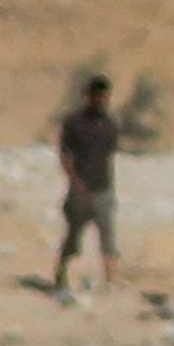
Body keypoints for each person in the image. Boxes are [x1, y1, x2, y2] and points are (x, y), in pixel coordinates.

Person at [51, 70, 123, 297]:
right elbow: (65, 155)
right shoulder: (74, 123)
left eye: (105, 96)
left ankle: (111, 282)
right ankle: (61, 276)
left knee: (108, 237)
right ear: (89, 96)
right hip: (80, 190)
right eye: (98, 96)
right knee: (73, 237)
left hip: (104, 189)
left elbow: (109, 155)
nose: (102, 100)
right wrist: (75, 182)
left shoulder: (110, 124)